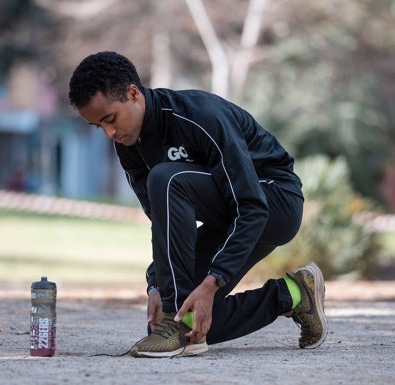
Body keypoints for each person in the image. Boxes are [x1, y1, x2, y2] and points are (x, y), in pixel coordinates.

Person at [68, 51, 327, 358]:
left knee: (168, 179)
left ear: (133, 94)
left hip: (273, 200)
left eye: (110, 119)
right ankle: (295, 294)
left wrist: (212, 282)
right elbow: (161, 221)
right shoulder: (129, 146)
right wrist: (156, 287)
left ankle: (173, 322)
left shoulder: (200, 115)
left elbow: (251, 206)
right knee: (192, 325)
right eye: (99, 126)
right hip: (229, 215)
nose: (109, 132)